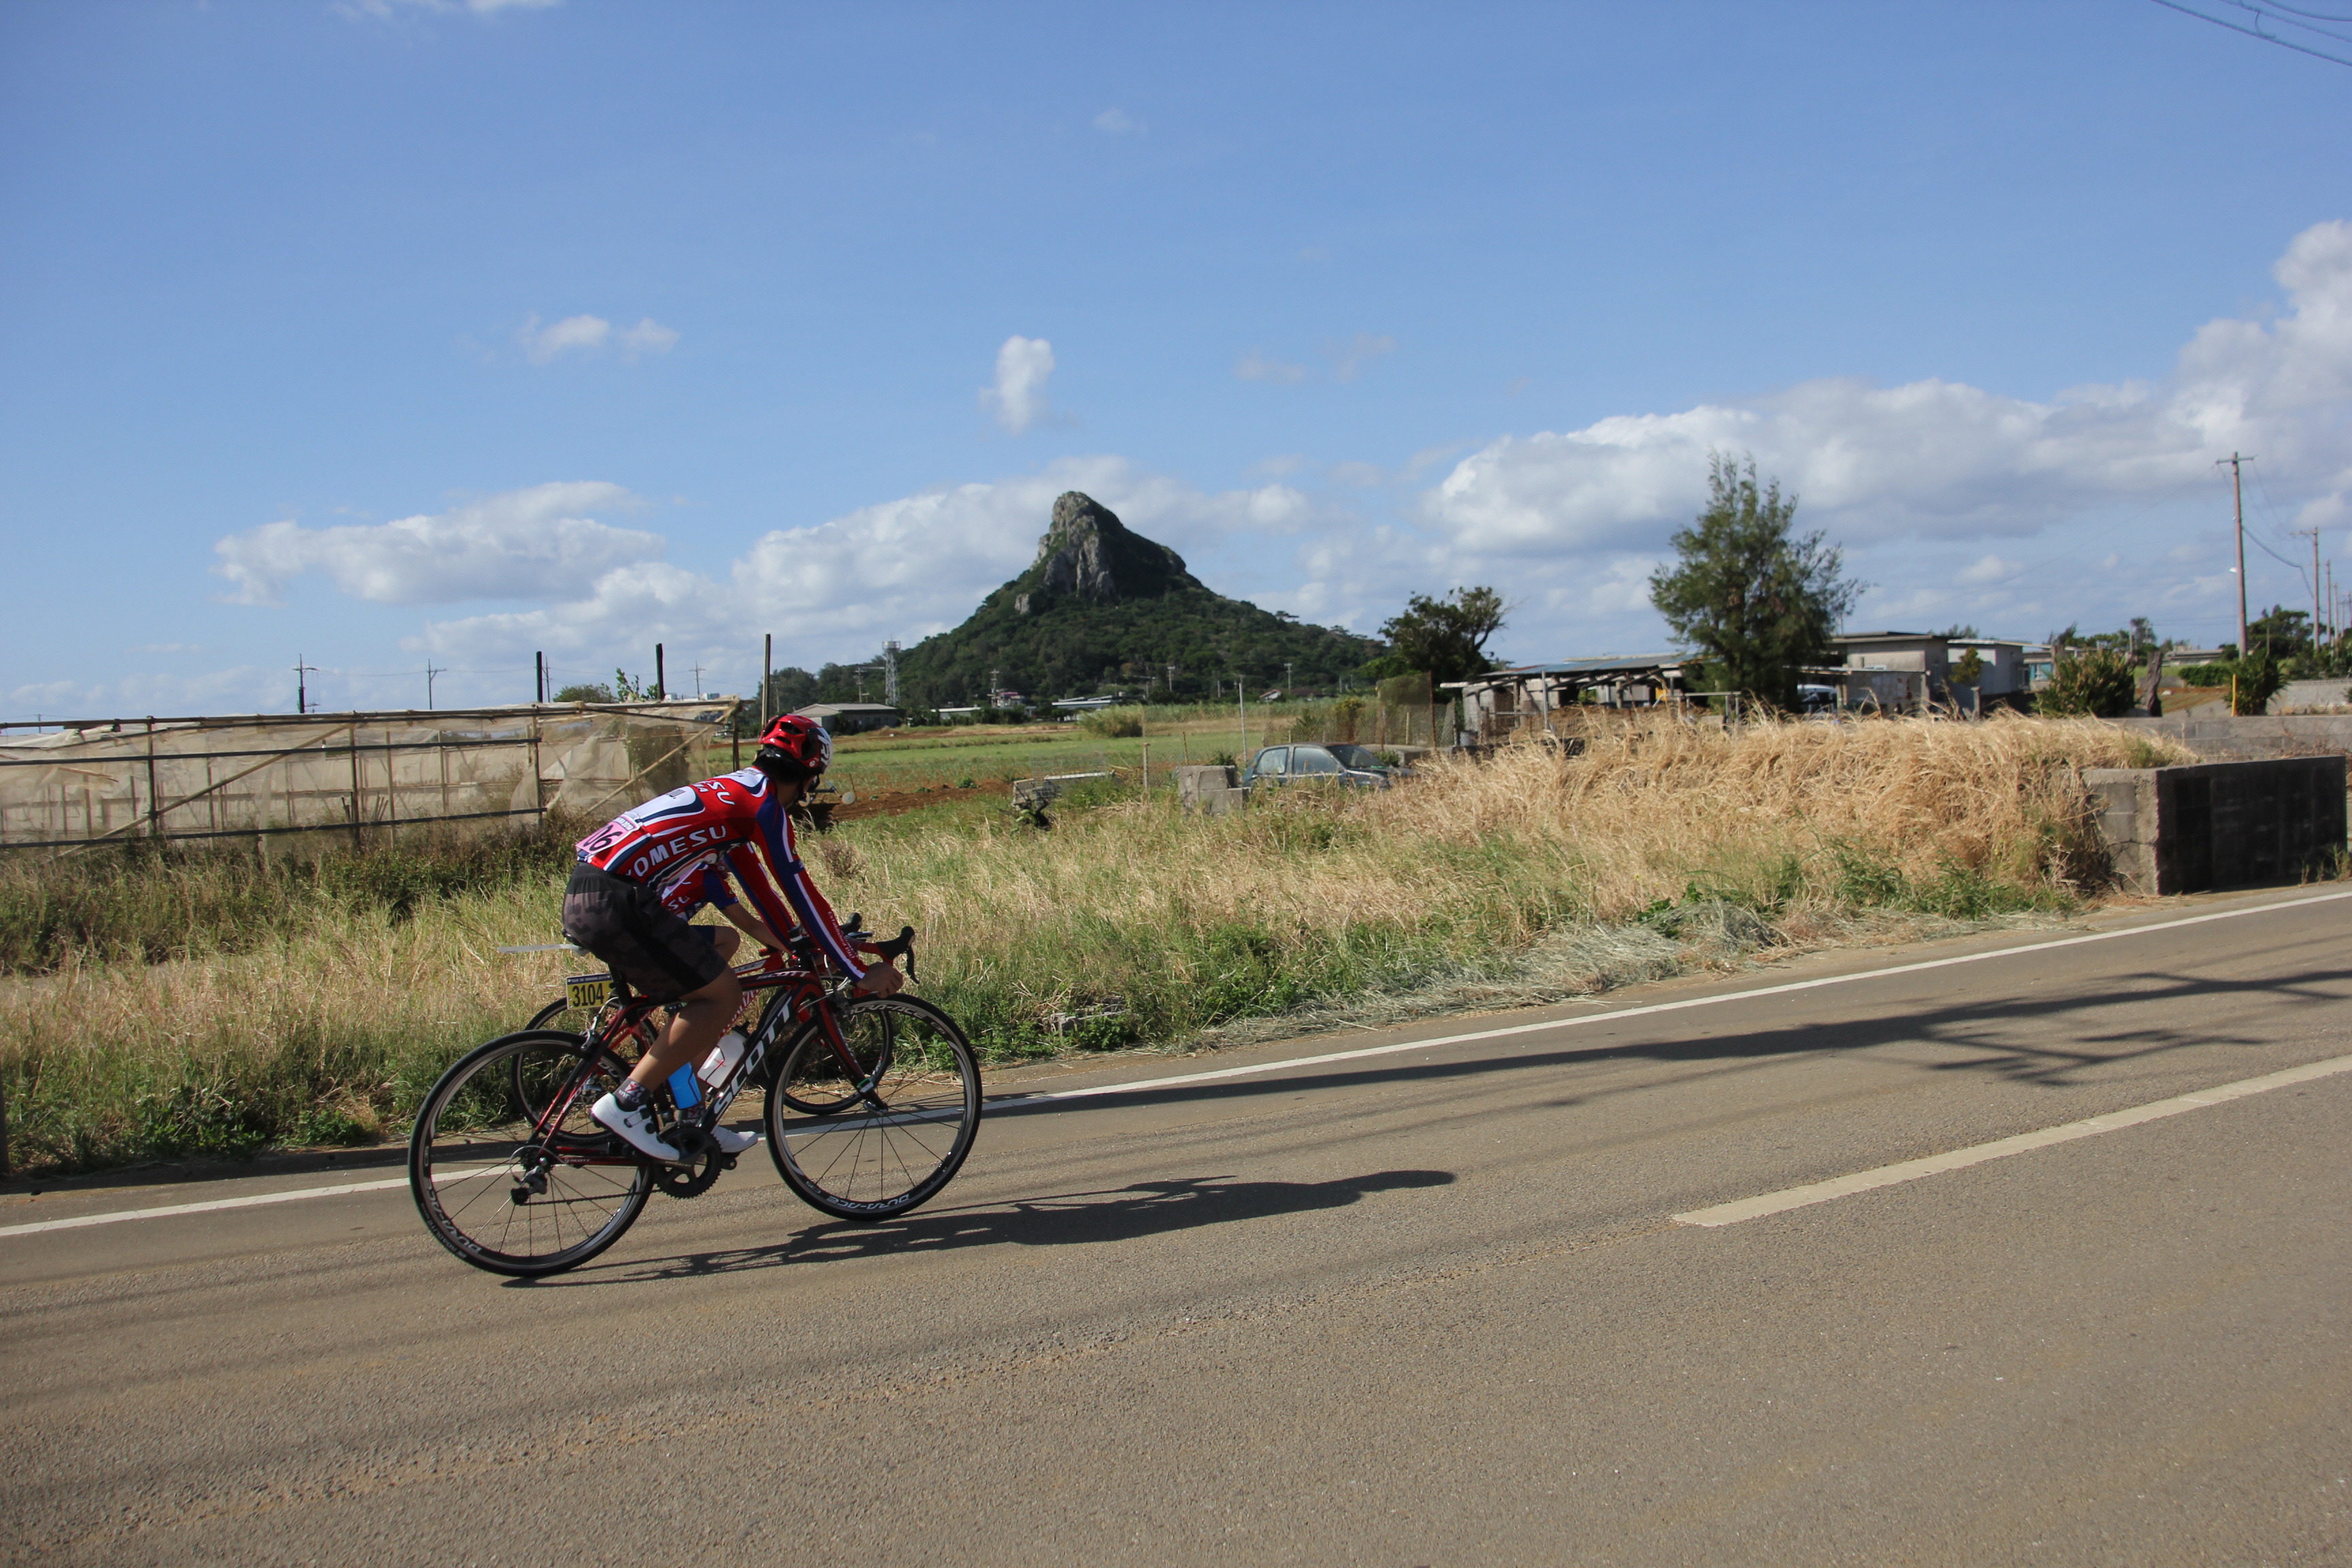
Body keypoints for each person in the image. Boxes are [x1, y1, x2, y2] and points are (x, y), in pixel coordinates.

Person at [563, 713, 902, 1162]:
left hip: (589, 892)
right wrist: (855, 969)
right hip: (619, 901)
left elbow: (766, 896)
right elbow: (800, 891)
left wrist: (807, 945)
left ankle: (692, 1120)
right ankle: (627, 1103)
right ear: (809, 778)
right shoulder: (764, 807)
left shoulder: (734, 796)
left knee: (705, 991)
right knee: (722, 997)